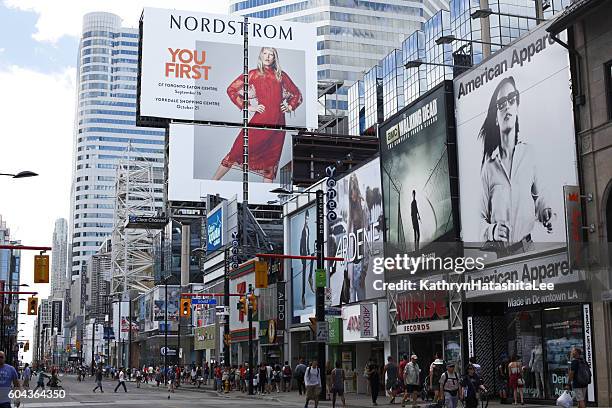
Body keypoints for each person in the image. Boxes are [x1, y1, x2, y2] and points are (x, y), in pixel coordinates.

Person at [478, 76, 553, 257]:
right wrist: (492, 231)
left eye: (512, 99)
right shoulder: (488, 168)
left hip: (527, 250)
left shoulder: (530, 154)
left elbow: (541, 195)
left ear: (517, 107)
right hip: (500, 258)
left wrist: (545, 210)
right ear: (495, 118)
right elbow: (478, 220)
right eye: (501, 103)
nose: (507, 106)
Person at [213, 46, 302, 183]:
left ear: (274, 58)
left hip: (278, 124)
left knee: (271, 162)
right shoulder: (253, 74)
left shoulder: (281, 75)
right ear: (261, 56)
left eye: (271, 54)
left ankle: (265, 199)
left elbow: (297, 94)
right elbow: (231, 90)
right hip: (260, 120)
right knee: (237, 151)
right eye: (265, 53)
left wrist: (290, 106)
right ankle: (212, 182)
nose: (267, 56)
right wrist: (249, 107)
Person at [299, 210, 314, 308]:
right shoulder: (303, 229)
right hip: (303, 254)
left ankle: (310, 277)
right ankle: (303, 296)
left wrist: (309, 251)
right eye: (306, 218)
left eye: (308, 218)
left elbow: (307, 241)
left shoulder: (308, 228)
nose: (307, 220)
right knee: (303, 276)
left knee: (313, 257)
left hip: (306, 252)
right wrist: (302, 254)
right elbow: (302, 243)